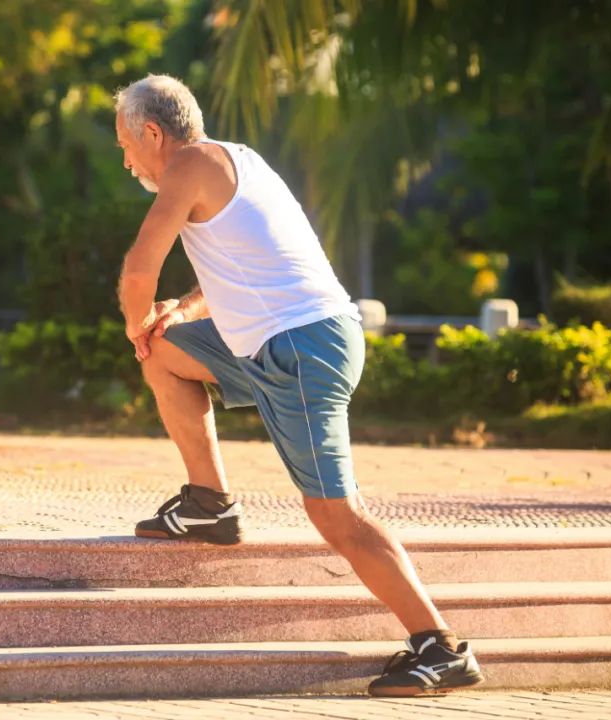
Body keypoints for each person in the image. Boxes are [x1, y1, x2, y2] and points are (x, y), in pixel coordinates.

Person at [114, 73, 483, 697]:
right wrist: (175, 316)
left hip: (301, 347)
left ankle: (441, 646)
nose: (126, 162)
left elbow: (138, 267)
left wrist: (137, 324)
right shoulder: (239, 161)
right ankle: (209, 505)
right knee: (168, 354)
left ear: (154, 132)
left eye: (126, 146)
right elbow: (252, 265)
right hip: (282, 340)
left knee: (336, 515)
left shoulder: (189, 166)